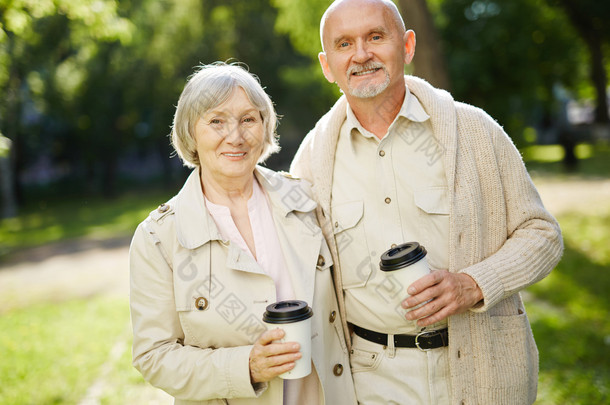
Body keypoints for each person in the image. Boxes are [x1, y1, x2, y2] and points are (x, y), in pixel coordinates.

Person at [290, 0, 564, 404]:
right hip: (370, 382)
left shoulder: (475, 132)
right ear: (327, 65)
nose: (361, 54)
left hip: (479, 368)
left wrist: (472, 285)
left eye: (376, 37)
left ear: (408, 46)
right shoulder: (314, 158)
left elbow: (543, 236)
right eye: (344, 44)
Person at [129, 62, 356, 405]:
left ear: (265, 128)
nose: (235, 136)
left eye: (249, 119)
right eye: (216, 121)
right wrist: (245, 367)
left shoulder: (306, 201)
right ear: (191, 132)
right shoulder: (158, 238)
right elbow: (154, 356)